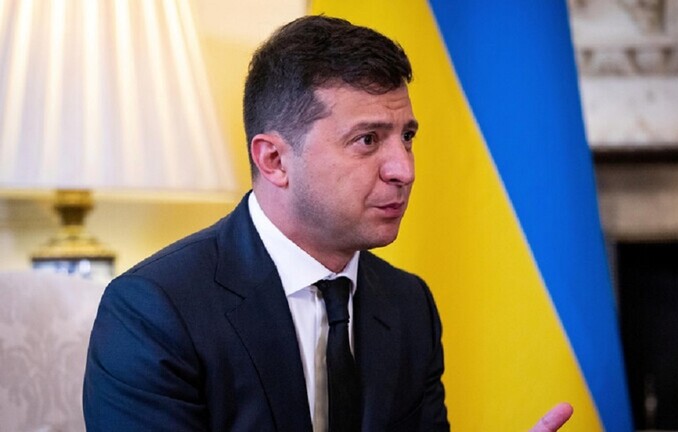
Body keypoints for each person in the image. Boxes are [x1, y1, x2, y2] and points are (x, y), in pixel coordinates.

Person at [83, 15, 571, 432]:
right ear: (274, 160)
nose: (403, 169)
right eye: (367, 140)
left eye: (406, 136)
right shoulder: (154, 312)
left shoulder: (408, 305)